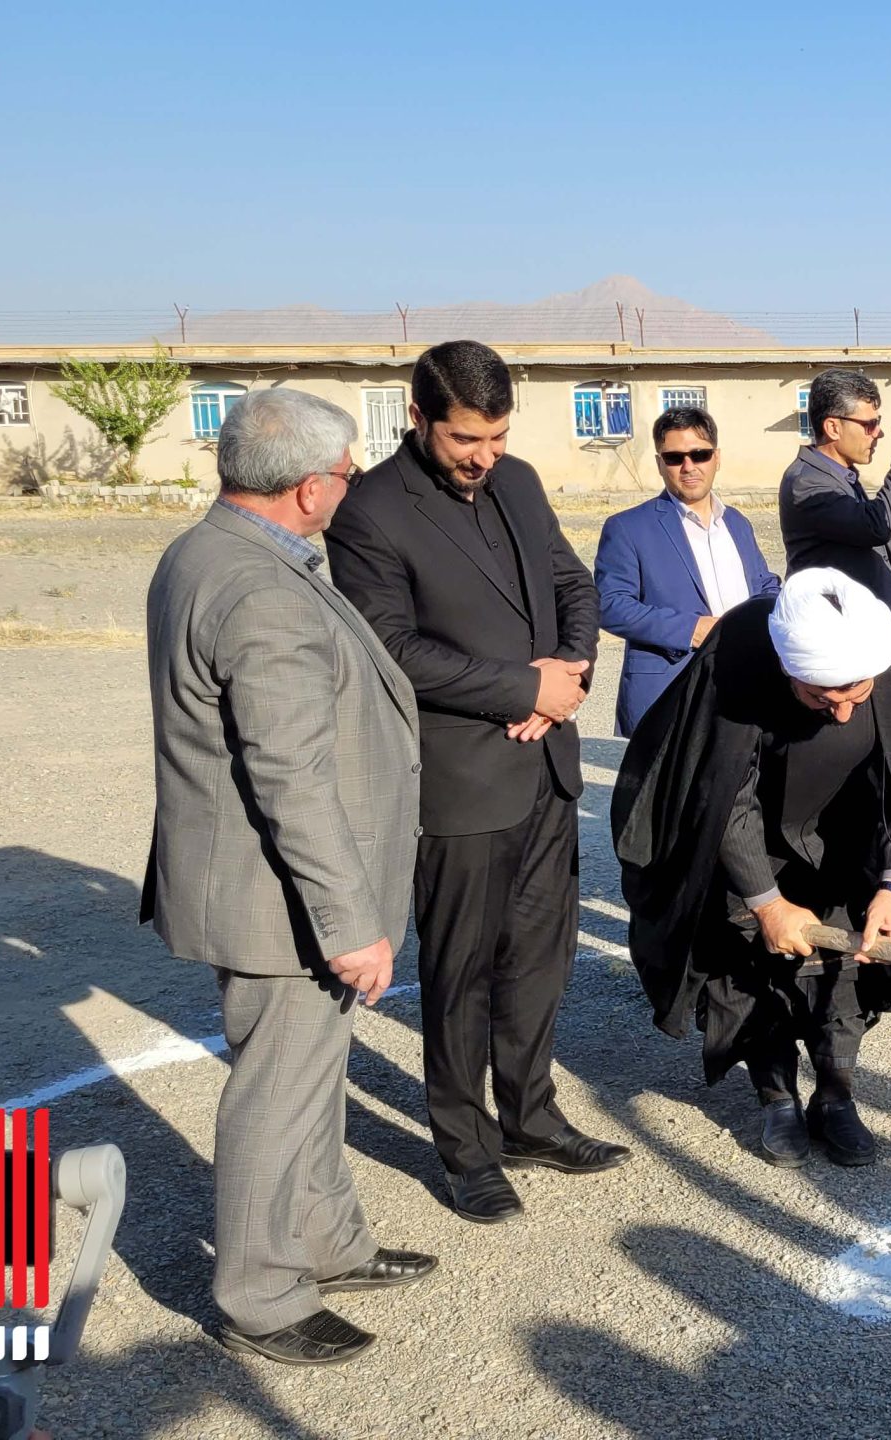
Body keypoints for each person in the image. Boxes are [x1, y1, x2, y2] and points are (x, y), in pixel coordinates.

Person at [143, 388, 434, 1365]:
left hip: (270, 889)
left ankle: (327, 1244)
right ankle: (261, 1298)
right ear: (310, 488)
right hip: (282, 902)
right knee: (275, 1094)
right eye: (349, 473)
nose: (353, 487)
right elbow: (291, 777)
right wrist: (350, 922)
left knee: (310, 1082)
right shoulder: (260, 589)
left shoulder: (211, 551)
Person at [326, 340, 632, 1226]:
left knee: (538, 961)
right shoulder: (370, 512)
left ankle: (531, 1119)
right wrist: (520, 688)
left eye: (497, 437)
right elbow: (391, 648)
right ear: (417, 417)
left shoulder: (520, 482)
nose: (484, 456)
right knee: (459, 974)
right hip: (459, 783)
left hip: (546, 769)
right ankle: (465, 1150)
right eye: (466, 438)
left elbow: (575, 585)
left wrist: (569, 671)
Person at [611, 569, 891, 1168]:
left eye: (856, 696)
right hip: (745, 842)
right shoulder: (740, 657)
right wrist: (766, 901)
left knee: (844, 968)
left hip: (848, 839)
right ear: (788, 668)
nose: (841, 714)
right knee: (749, 966)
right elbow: (723, 797)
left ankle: (835, 1094)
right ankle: (776, 1095)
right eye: (822, 697)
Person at [594, 404, 781, 736]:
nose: (688, 466)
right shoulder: (628, 527)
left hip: (746, 683)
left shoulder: (737, 523)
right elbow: (610, 605)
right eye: (674, 458)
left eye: (700, 454)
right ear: (659, 463)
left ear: (717, 458)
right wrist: (692, 629)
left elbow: (762, 585)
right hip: (669, 690)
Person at [781, 368, 891, 619]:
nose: (878, 433)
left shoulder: (838, 475)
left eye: (878, 422)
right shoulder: (807, 483)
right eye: (869, 425)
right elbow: (876, 526)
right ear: (833, 427)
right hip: (838, 634)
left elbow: (851, 555)